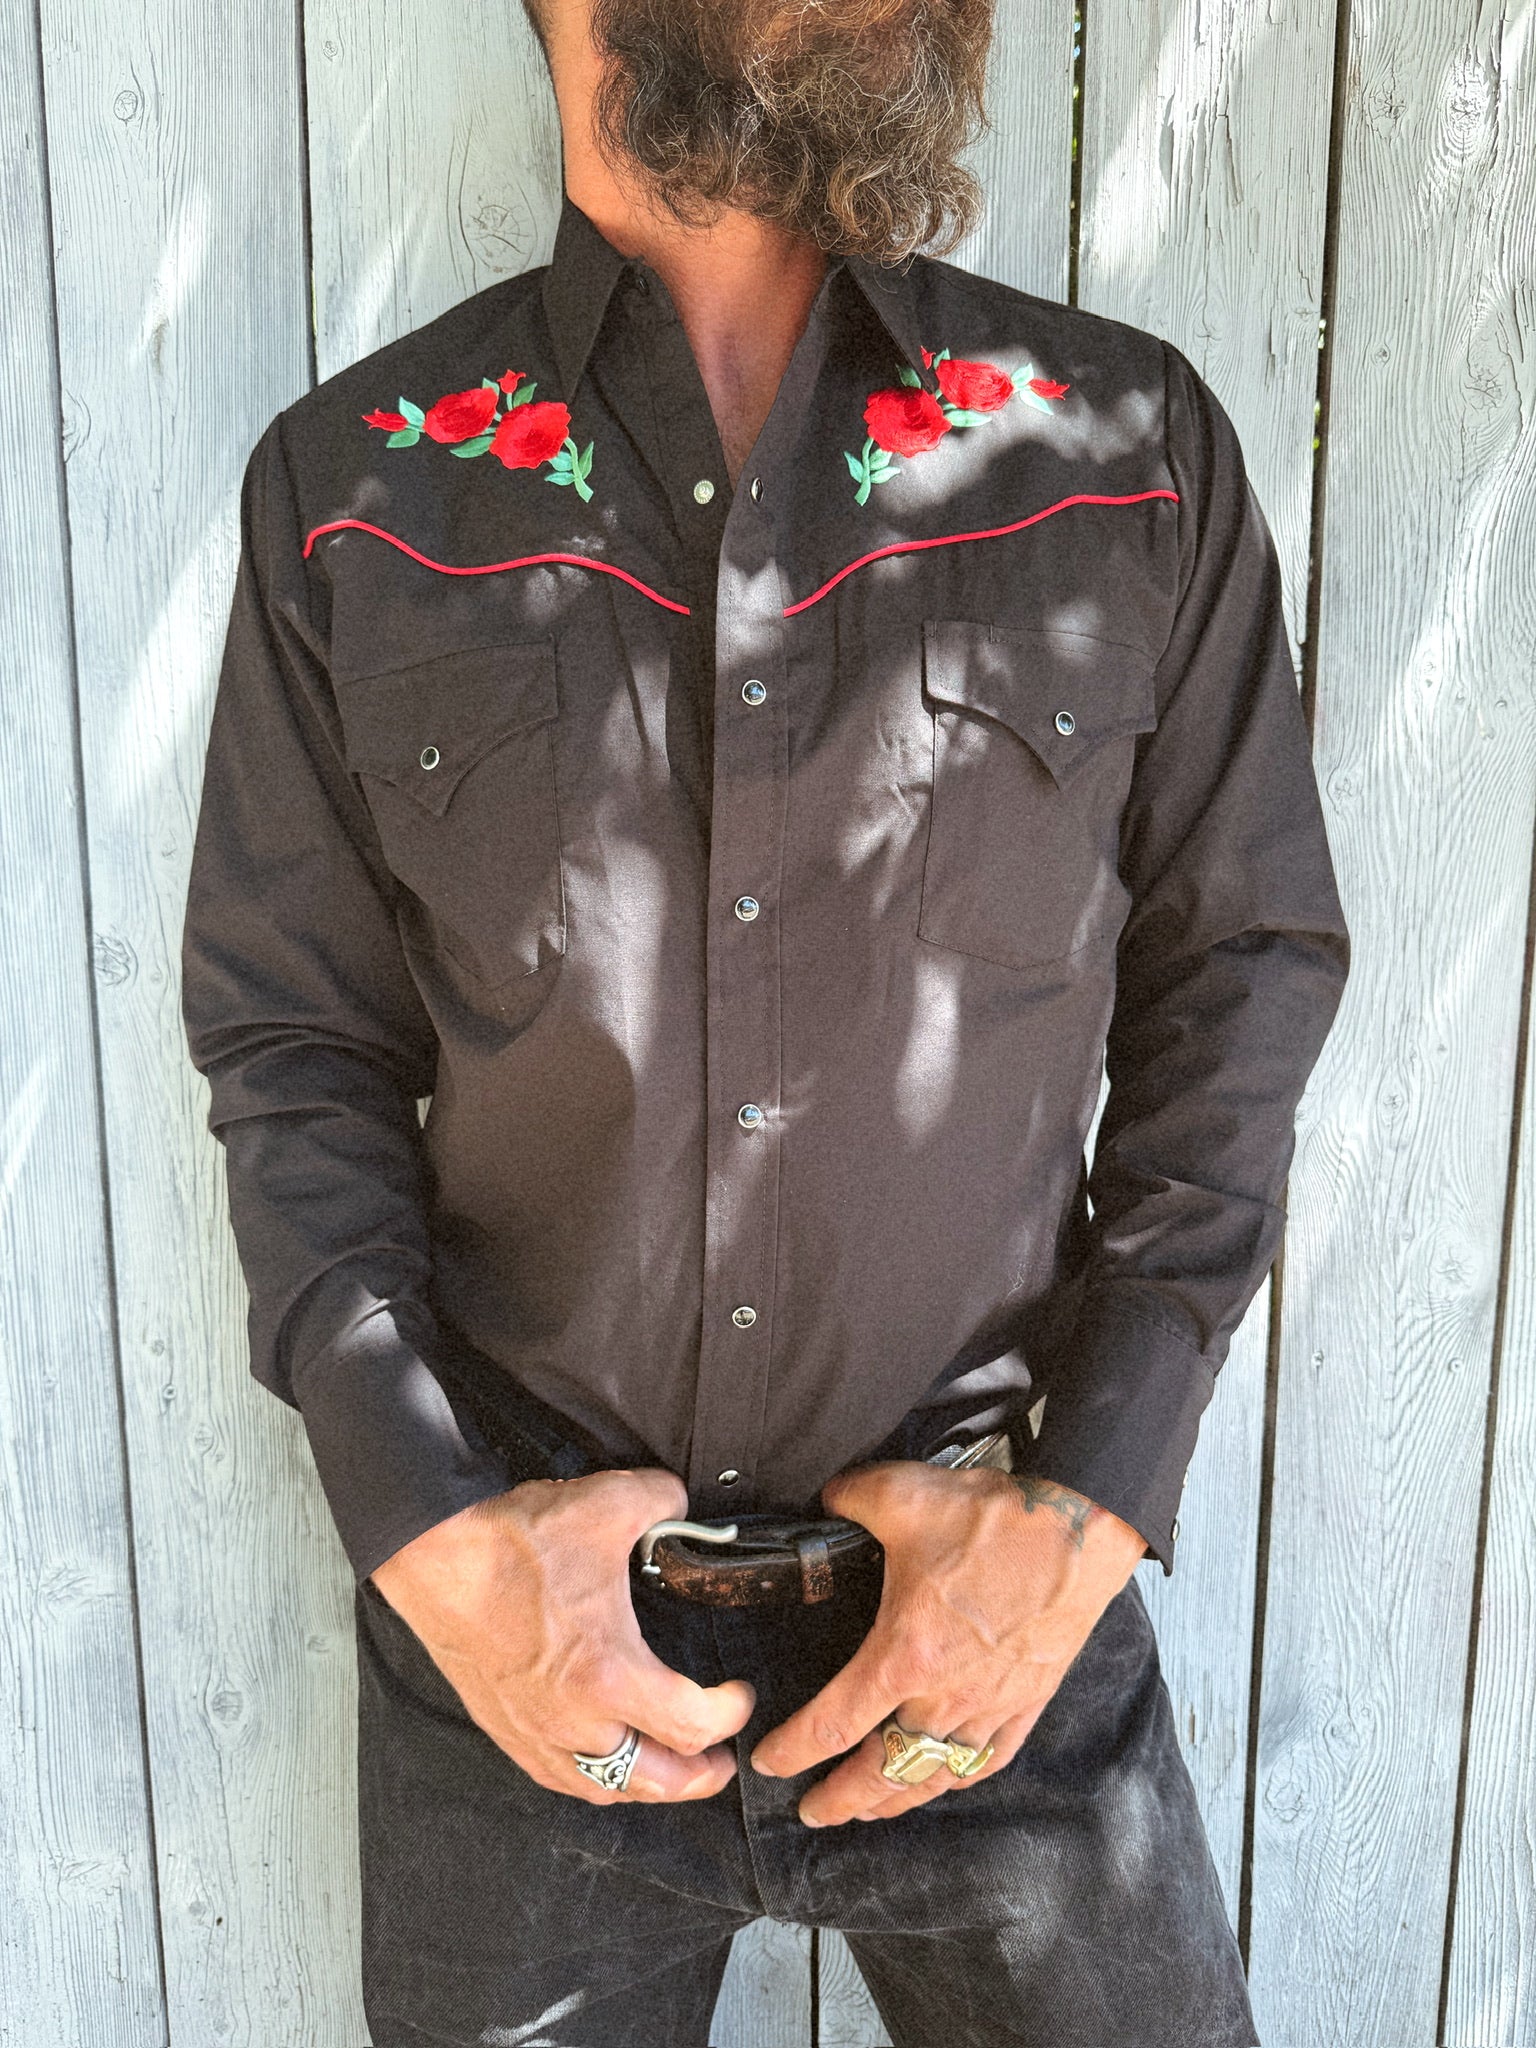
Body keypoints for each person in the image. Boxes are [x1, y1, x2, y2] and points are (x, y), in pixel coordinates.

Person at [179, 0, 1350, 2041]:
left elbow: (1241, 971)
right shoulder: (362, 497)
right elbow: (296, 1046)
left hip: (999, 1638)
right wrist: (442, 1548)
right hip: (529, 1670)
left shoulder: (1117, 454)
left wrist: (1081, 1515)